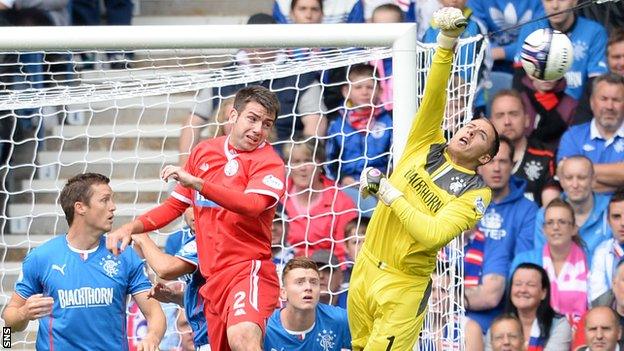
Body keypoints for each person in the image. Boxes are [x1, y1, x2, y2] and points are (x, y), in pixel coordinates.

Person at [350, 7, 501, 350]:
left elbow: (432, 234)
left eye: (479, 135)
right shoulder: (425, 143)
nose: (469, 131)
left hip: (403, 286)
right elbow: (434, 95)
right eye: (470, 125)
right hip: (365, 267)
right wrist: (447, 43)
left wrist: (389, 194)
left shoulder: (476, 193)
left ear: (485, 158)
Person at [106, 86, 287, 351]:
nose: (259, 129)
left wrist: (200, 184)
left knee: (243, 338)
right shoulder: (204, 152)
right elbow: (173, 206)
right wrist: (131, 227)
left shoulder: (269, 162)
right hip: (211, 280)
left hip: (247, 270)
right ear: (232, 114)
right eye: (253, 118)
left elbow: (252, 205)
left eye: (267, 124)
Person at [1, 173, 166, 350]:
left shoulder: (124, 254)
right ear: (80, 208)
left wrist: (152, 337)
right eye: (105, 200)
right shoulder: (41, 257)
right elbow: (7, 327)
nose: (113, 207)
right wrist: (23, 314)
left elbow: (155, 313)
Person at [465, 136, 538, 332]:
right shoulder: (463, 202)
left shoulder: (528, 210)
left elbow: (521, 265)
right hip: (457, 306)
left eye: (503, 161)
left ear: (512, 165)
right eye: (490, 161)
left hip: (501, 311)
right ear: (479, 165)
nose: (496, 168)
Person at [131, 207, 209, 350]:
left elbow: (165, 269)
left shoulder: (215, 237)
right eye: (189, 205)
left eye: (199, 202)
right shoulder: (181, 239)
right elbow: (209, 296)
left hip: (221, 334)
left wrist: (141, 236)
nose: (195, 211)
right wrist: (174, 297)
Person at [325, 63, 393, 210]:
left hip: (382, 182)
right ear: (346, 91)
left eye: (369, 87)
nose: (364, 92)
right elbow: (330, 161)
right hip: (347, 184)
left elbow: (395, 158)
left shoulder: (389, 121)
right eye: (358, 87)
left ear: (380, 91)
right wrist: (343, 178)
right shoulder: (337, 123)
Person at [512, 0, 608, 102]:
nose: (555, 6)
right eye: (548, 0)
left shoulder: (595, 32)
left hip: (579, 110)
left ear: (575, 1)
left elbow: (596, 84)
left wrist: (579, 114)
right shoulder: (530, 29)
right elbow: (520, 80)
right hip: (537, 108)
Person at [511, 198, 589, 318]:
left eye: (562, 222)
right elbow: (512, 304)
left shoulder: (589, 261)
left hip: (579, 330)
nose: (556, 227)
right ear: (543, 230)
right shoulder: (524, 261)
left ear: (574, 229)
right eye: (550, 222)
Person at [283, 139, 358, 261]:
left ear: (320, 163)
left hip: (326, 271)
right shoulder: (278, 198)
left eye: (308, 161)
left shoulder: (341, 202)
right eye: (296, 162)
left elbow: (344, 253)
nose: (302, 168)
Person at [534, 156, 611, 264]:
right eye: (569, 178)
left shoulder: (612, 210)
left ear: (593, 179)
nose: (575, 185)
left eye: (582, 178)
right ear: (561, 181)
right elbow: (541, 260)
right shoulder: (545, 215)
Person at [488, 89, 558, 206]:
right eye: (500, 116)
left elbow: (551, 212)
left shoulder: (547, 157)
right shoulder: (480, 159)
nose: (507, 122)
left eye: (513, 114)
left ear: (527, 120)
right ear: (491, 123)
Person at [264, 257, 351, 350]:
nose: (308, 287)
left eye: (313, 282)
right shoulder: (265, 327)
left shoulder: (340, 320)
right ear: (283, 293)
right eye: (300, 282)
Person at [557, 73, 624, 194]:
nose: (609, 106)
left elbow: (575, 181)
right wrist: (620, 185)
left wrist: (581, 173)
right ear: (592, 102)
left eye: (616, 100)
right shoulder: (572, 137)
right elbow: (566, 178)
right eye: (603, 99)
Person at [484, 263, 572, 351]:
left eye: (531, 285)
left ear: (544, 293)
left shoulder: (559, 325)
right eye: (518, 284)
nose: (522, 290)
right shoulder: (498, 325)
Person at [574, 28, 624, 125]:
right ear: (606, 60)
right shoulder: (594, 86)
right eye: (616, 57)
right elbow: (581, 127)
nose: (622, 63)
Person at [589, 189, 624, 304]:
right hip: (612, 318)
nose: (622, 223)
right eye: (616, 217)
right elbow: (597, 299)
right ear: (608, 221)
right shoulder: (602, 252)